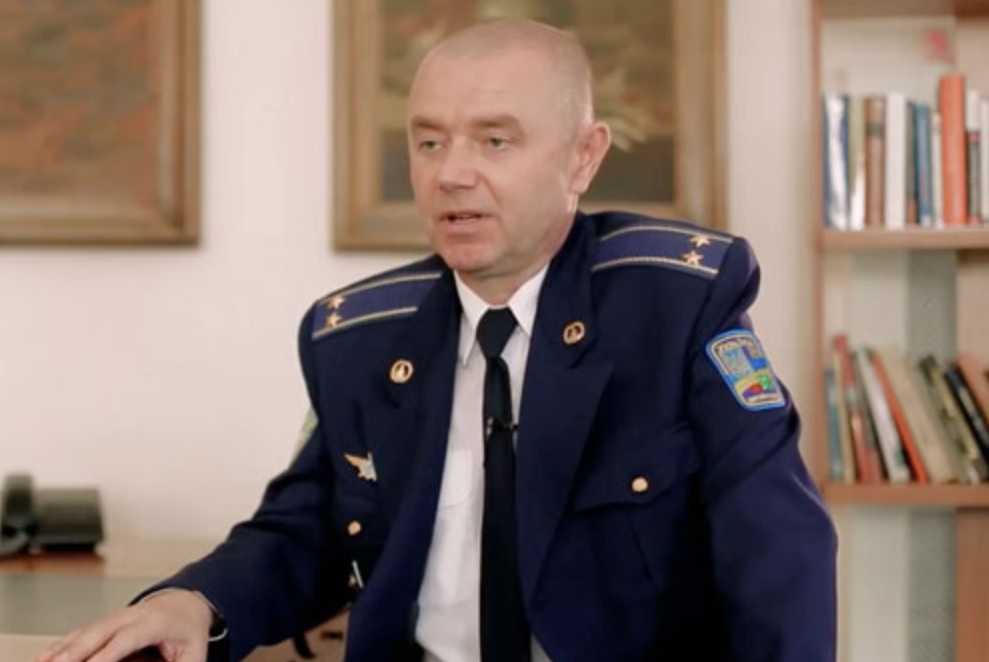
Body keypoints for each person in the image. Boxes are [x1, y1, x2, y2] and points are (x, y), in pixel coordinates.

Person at [39, 17, 837, 662]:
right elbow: (305, 531)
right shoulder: (356, 337)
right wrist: (195, 603)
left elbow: (778, 553)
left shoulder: (674, 306)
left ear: (582, 157)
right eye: (428, 142)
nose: (452, 173)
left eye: (494, 141)